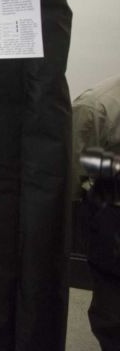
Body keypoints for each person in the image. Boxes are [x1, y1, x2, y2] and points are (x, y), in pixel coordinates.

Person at [72, 74, 120, 351]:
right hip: (113, 216)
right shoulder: (95, 107)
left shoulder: (96, 105)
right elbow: (79, 164)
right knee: (113, 310)